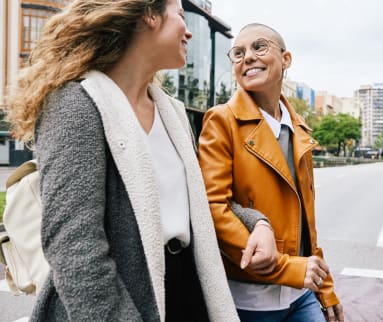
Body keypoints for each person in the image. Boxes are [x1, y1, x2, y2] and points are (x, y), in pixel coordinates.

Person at [7, 0, 239, 321]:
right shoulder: (75, 106)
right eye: (180, 16)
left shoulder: (172, 112)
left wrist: (257, 225)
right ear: (148, 15)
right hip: (120, 298)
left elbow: (194, 203)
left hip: (186, 289)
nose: (188, 31)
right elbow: (75, 248)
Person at [198, 23, 343, 322]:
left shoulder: (299, 127)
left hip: (302, 295)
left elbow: (306, 220)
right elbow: (213, 209)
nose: (247, 57)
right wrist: (287, 268)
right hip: (250, 300)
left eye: (259, 47)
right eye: (237, 53)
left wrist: (324, 287)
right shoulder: (222, 120)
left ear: (286, 59)